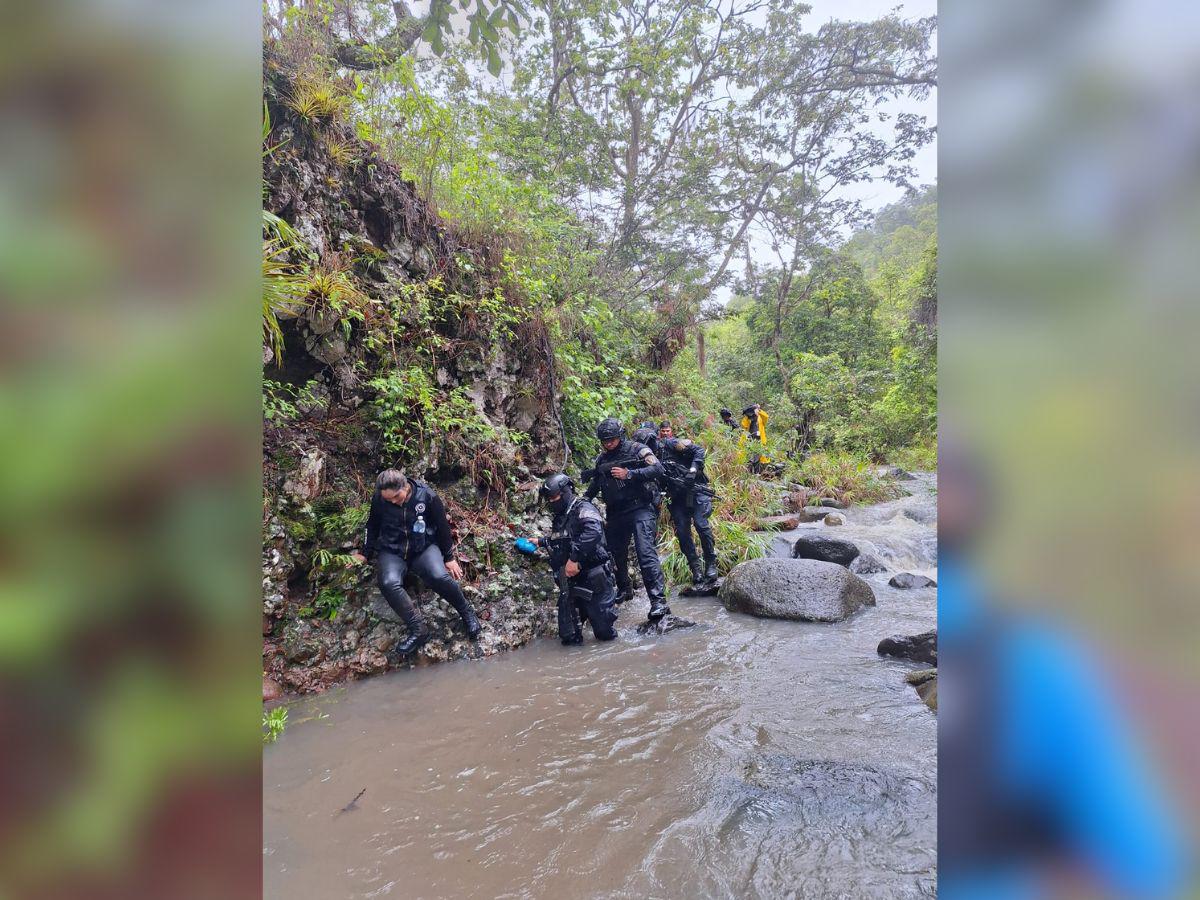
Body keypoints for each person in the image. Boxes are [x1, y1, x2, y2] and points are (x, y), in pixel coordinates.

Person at [350, 469, 481, 655]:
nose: (394, 502)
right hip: (392, 550)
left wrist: (449, 558)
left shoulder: (426, 495)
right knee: (388, 582)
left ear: (405, 486)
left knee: (439, 576)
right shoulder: (380, 499)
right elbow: (372, 526)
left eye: (396, 497)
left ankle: (467, 612)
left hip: (423, 548)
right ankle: (419, 630)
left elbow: (443, 527)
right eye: (389, 500)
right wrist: (364, 553)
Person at [585, 417, 671, 621]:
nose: (608, 444)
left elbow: (658, 469)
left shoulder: (638, 450)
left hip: (641, 507)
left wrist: (629, 474)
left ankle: (659, 601)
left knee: (645, 553)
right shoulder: (602, 459)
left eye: (612, 440)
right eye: (605, 441)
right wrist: (584, 501)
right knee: (615, 554)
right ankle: (624, 589)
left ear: (620, 436)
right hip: (616, 511)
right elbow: (596, 483)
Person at [521, 473, 618, 645]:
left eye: (555, 497)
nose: (552, 501)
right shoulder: (560, 516)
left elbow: (593, 532)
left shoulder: (583, 508)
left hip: (594, 576)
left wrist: (574, 559)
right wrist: (541, 542)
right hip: (571, 582)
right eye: (549, 499)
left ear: (566, 491)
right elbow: (563, 538)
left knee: (604, 634)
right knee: (568, 636)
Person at [658, 421, 719, 586]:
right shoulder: (648, 455)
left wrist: (692, 471)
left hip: (696, 490)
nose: (663, 434)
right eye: (661, 431)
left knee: (701, 524)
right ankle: (696, 568)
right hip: (676, 497)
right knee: (683, 532)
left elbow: (698, 450)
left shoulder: (672, 444)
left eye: (666, 431)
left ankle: (711, 563)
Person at [740, 403, 771, 473]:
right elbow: (744, 425)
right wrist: (748, 417)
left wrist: (758, 410)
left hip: (759, 440)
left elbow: (766, 416)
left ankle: (758, 472)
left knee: (759, 456)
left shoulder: (761, 418)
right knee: (749, 456)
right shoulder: (747, 419)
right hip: (749, 440)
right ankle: (749, 472)